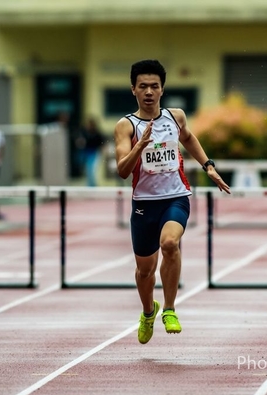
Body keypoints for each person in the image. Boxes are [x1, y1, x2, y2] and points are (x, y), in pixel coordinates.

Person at [114, 59, 230, 344]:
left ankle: (169, 308)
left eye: (155, 86)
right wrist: (139, 146)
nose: (149, 92)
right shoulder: (126, 126)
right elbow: (122, 171)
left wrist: (208, 166)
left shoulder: (175, 117)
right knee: (144, 270)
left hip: (176, 197)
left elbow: (189, 139)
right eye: (143, 86)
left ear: (162, 89)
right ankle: (147, 311)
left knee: (170, 243)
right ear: (134, 90)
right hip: (144, 203)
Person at [77, 117, 105, 186]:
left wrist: (102, 152)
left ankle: (92, 185)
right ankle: (89, 184)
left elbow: (102, 144)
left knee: (92, 170)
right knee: (87, 170)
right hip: (86, 153)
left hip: (94, 153)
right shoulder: (84, 133)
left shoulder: (97, 134)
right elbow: (80, 143)